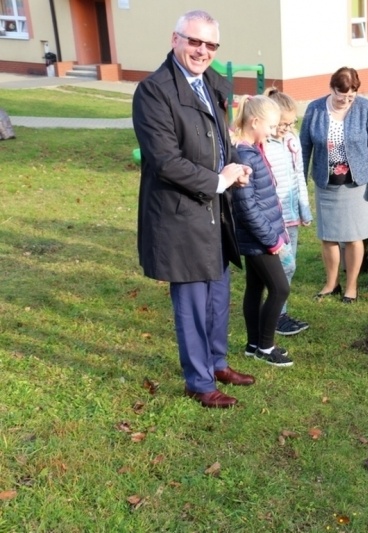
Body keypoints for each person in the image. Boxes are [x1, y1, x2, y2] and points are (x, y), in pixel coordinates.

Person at [133, 10, 255, 408]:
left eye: (211, 45)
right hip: (178, 214)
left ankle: (218, 363)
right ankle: (199, 383)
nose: (202, 51)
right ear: (176, 39)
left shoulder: (214, 84)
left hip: (215, 212)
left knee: (218, 295)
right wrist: (218, 180)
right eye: (195, 41)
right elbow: (164, 160)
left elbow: (221, 140)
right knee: (191, 303)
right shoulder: (154, 91)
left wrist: (237, 164)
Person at [299, 66, 368, 304]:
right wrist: (300, 180)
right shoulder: (315, 109)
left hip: (357, 184)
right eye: (341, 95)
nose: (346, 100)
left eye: (351, 96)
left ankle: (351, 286)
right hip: (326, 184)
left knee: (353, 236)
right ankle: (331, 283)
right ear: (331, 88)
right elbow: (304, 147)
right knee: (328, 236)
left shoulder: (365, 108)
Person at [230, 95, 295, 367]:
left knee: (255, 289)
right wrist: (272, 240)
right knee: (280, 289)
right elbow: (247, 207)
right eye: (270, 127)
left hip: (257, 237)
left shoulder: (250, 149)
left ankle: (253, 344)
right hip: (259, 238)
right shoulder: (246, 155)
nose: (272, 132)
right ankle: (266, 348)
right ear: (254, 122)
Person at [264, 89, 313, 335]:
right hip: (271, 218)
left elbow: (298, 176)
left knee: (289, 266)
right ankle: (275, 316)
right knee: (284, 266)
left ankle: (278, 312)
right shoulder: (262, 143)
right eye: (282, 124)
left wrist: (304, 208)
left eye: (291, 123)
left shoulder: (292, 140)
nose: (287, 128)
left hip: (291, 217)